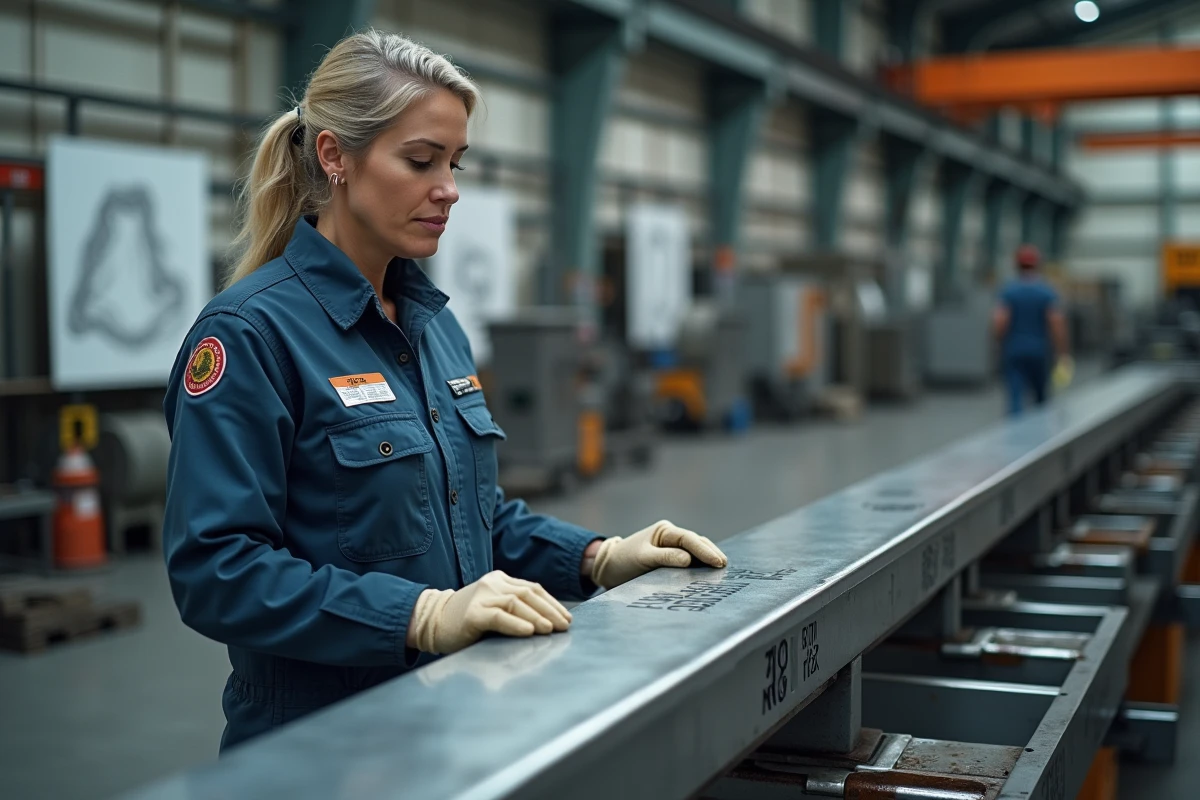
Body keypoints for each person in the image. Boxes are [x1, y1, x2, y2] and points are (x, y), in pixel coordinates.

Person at [162, 30, 728, 752]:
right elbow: (218, 570)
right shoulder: (249, 336)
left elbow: (468, 515)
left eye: (455, 163)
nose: (449, 190)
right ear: (334, 157)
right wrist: (418, 616)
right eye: (421, 160)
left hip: (449, 730)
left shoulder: (433, 326)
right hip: (320, 754)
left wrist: (597, 559)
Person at [993, 244, 1070, 416]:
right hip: (1040, 351)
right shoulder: (1046, 291)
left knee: (1015, 398)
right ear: (1038, 264)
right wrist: (1062, 352)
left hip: (1014, 351)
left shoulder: (1009, 291)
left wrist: (998, 344)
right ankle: (1042, 437)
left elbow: (999, 321)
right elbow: (1057, 323)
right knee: (1041, 398)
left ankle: (1014, 437)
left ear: (1017, 264)